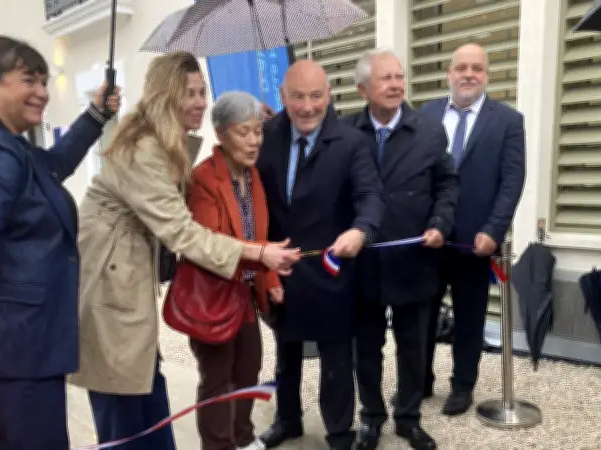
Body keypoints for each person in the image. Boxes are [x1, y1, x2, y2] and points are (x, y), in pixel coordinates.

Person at [68, 52, 300, 450]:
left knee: (143, 388)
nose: (198, 102)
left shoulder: (164, 141)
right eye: (188, 93)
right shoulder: (146, 149)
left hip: (125, 278)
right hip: (110, 282)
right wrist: (260, 255)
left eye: (202, 92)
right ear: (165, 95)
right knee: (122, 402)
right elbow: (183, 232)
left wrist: (269, 124)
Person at [0, 35, 121, 449]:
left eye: (44, 81)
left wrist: (95, 115)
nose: (42, 92)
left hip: (18, 341)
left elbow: (54, 165)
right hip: (20, 341)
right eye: (29, 81)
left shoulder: (9, 145)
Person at [256, 60, 385, 450]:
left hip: (332, 270)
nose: (308, 106)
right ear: (283, 97)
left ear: (329, 95)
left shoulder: (351, 142)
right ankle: (288, 419)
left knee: (336, 362)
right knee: (286, 352)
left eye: (316, 96)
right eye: (298, 96)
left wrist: (360, 231)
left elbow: (371, 198)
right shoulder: (266, 136)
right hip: (283, 266)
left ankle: (340, 433)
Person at [344, 49, 458, 450]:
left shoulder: (427, 130)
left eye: (399, 77)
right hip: (365, 262)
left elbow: (448, 184)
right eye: (384, 79)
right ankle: (371, 418)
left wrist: (440, 224)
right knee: (367, 349)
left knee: (413, 347)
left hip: (415, 257)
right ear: (363, 89)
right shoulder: (345, 132)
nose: (395, 85)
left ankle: (409, 418)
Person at [418, 43, 526, 416]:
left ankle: (462, 386)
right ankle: (420, 380)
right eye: (461, 67)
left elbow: (513, 181)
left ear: (487, 75)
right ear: (449, 72)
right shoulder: (426, 115)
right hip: (430, 240)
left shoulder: (508, 121)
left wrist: (494, 231)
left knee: (469, 318)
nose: (468, 74)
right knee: (423, 315)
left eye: (476, 68)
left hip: (475, 242)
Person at [186, 91, 283, 450]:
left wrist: (269, 279)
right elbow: (211, 246)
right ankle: (218, 445)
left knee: (248, 368)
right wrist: (262, 258)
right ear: (222, 133)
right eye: (245, 132)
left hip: (243, 292)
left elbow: (261, 234)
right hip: (213, 294)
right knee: (217, 378)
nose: (255, 140)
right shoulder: (203, 179)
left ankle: (241, 438)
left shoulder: (253, 176)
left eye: (258, 131)